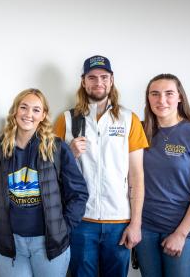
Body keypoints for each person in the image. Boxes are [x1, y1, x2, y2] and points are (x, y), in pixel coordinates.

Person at [54, 55, 148, 277]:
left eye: (104, 77)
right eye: (92, 77)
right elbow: (50, 171)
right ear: (83, 81)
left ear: (112, 80)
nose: (98, 82)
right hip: (80, 220)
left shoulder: (129, 119)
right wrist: (69, 153)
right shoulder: (66, 120)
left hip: (119, 220)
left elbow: (137, 177)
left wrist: (135, 224)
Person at [0, 88, 88, 277]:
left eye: (36, 110)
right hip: (10, 243)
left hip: (49, 244)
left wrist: (63, 228)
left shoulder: (57, 148)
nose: (28, 114)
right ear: (15, 110)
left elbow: (79, 193)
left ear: (43, 115)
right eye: (23, 107)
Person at [135, 74, 190, 277]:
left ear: (180, 97)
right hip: (144, 229)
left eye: (169, 93)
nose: (161, 100)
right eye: (154, 94)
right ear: (148, 98)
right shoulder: (139, 130)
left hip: (183, 231)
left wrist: (180, 234)